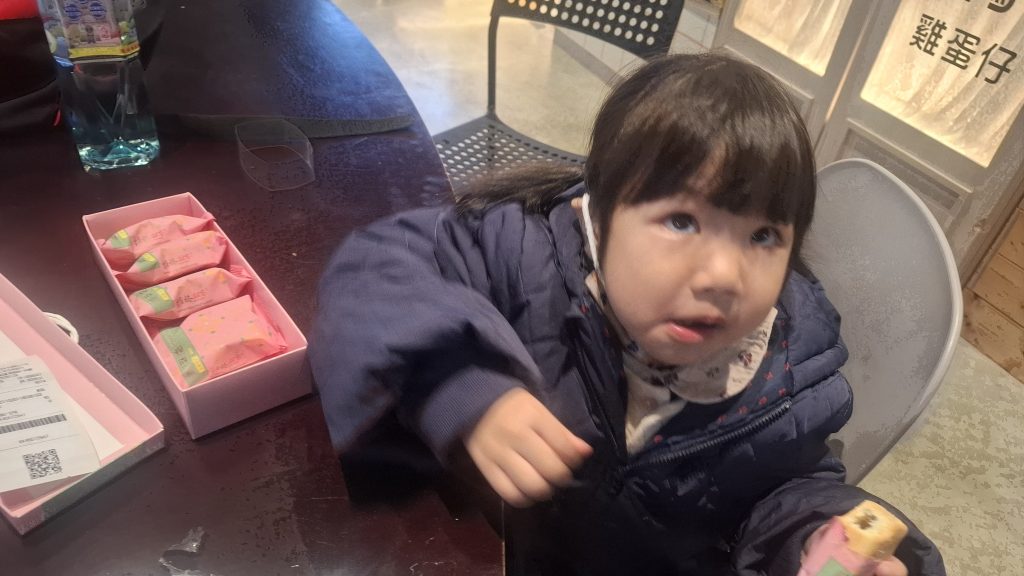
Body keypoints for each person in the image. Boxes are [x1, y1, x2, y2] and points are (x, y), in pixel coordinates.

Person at [309, 53, 945, 575]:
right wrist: (461, 383)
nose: (724, 277)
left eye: (763, 236)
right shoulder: (522, 259)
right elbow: (375, 275)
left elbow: (786, 487)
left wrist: (812, 539)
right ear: (597, 212)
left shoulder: (790, 362)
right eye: (681, 220)